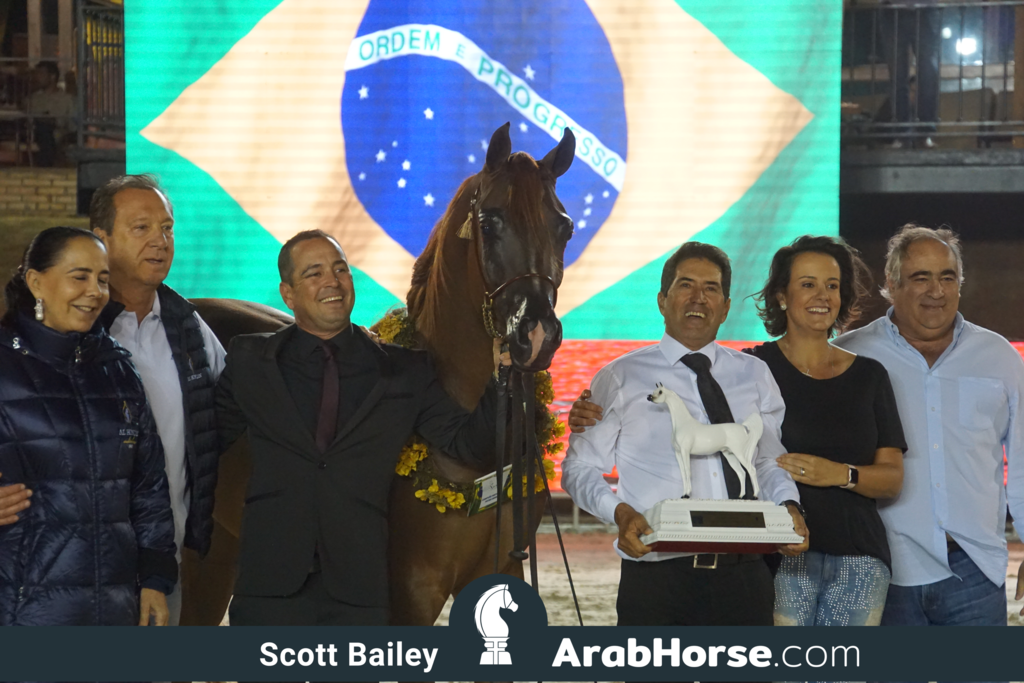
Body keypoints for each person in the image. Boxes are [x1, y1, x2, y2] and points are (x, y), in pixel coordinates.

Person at [216, 229, 504, 626]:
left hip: (359, 593)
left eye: (340, 269)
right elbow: (205, 446)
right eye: (314, 273)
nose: (332, 281)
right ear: (288, 294)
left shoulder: (405, 371)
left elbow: (470, 446)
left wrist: (503, 377)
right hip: (267, 589)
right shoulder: (249, 361)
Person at [560, 242, 808, 627]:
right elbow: (579, 467)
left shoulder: (754, 374)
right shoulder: (619, 377)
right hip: (657, 579)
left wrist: (790, 506)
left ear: (726, 306)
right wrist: (619, 513)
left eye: (711, 288)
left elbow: (766, 460)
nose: (698, 298)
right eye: (685, 285)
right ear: (662, 300)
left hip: (743, 577)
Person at [834, 225, 1024, 625]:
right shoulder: (851, 355)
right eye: (920, 278)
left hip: (976, 572)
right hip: (885, 576)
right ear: (891, 283)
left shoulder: (999, 358)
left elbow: (1022, 465)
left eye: (947, 277)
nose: (936, 291)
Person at [0, 226, 177, 625]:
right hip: (23, 616)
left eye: (102, 279)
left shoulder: (117, 370)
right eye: (79, 277)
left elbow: (148, 487)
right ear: (35, 282)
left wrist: (154, 577)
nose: (95, 291)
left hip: (116, 612)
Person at [747, 235, 906, 627]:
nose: (822, 295)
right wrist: (593, 411)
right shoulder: (749, 370)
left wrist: (841, 474)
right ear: (782, 296)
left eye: (832, 285)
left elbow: (891, 479)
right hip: (778, 553)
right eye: (808, 284)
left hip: (860, 558)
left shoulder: (870, 376)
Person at [90, 174, 226, 626]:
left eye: (166, 228)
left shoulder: (189, 328)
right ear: (101, 238)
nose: (159, 241)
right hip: (78, 566)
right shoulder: (74, 327)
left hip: (162, 565)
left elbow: (234, 406)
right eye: (141, 227)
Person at [25, 62, 76, 166]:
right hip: (35, 133)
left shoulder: (66, 99)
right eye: (36, 74)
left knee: (48, 132)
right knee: (43, 130)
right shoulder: (33, 99)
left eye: (41, 74)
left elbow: (72, 125)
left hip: (58, 134)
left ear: (52, 76)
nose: (37, 77)